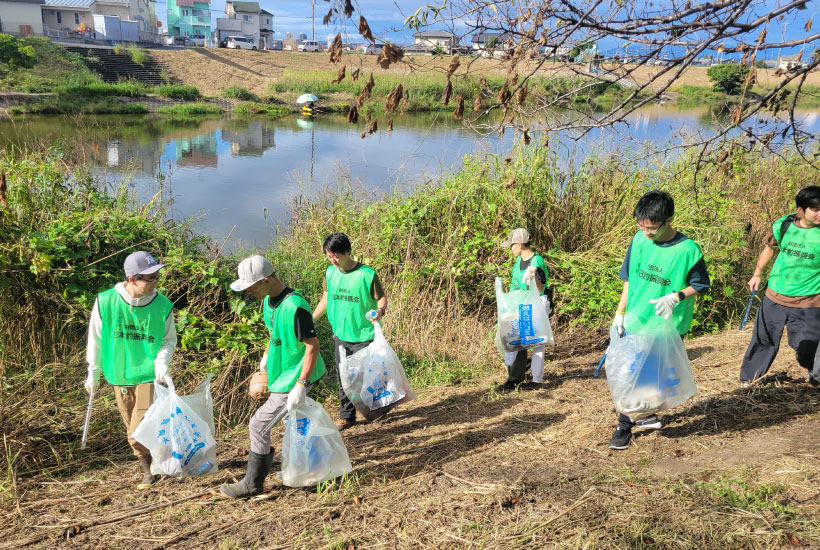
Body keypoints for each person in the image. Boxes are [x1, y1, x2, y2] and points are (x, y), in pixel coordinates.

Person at [609, 191, 710, 450]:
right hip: (636, 318)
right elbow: (630, 279)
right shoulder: (639, 241)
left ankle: (629, 422)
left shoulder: (688, 250)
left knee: (647, 377)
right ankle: (636, 418)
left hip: (667, 324)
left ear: (669, 220)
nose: (646, 232)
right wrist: (620, 313)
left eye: (652, 228)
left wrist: (676, 297)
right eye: (641, 226)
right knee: (632, 374)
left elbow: (700, 284)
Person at [221, 255, 326, 498]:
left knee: (258, 425)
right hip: (283, 372)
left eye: (251, 287)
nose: (249, 292)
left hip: (296, 376)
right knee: (294, 422)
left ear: (266, 280)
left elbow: (312, 347)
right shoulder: (269, 302)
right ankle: (308, 468)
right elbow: (274, 332)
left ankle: (252, 483)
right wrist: (267, 354)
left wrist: (301, 385)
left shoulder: (295, 307)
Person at [84, 251, 176, 488]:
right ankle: (149, 469)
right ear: (132, 279)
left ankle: (156, 464)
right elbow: (95, 338)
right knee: (130, 426)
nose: (155, 283)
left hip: (147, 374)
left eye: (157, 277)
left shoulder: (162, 305)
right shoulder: (106, 302)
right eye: (150, 278)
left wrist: (162, 362)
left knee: (138, 428)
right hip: (119, 375)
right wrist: (93, 371)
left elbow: (168, 340)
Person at [739, 186, 820, 386]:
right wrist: (757, 273)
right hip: (774, 296)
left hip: (809, 302)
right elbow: (769, 248)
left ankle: (814, 372)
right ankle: (749, 380)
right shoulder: (783, 225)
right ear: (800, 210)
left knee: (806, 348)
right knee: (763, 340)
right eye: (815, 209)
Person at [312, 233, 387, 429]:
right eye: (329, 256)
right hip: (340, 334)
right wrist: (310, 320)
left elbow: (381, 298)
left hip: (363, 335)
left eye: (336, 255)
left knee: (366, 376)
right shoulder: (330, 273)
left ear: (347, 252)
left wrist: (380, 311)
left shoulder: (367, 274)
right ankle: (347, 416)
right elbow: (326, 297)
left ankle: (376, 411)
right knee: (343, 377)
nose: (333, 260)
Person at [497, 228, 550, 392]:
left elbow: (541, 288)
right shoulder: (518, 262)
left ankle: (537, 379)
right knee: (515, 338)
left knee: (537, 341)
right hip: (521, 303)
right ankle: (517, 374)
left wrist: (534, 277)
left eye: (511, 245)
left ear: (519, 244)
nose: (510, 249)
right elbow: (515, 285)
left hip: (537, 303)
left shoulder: (537, 261)